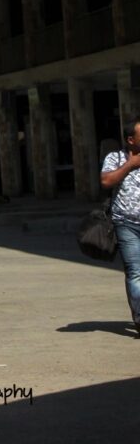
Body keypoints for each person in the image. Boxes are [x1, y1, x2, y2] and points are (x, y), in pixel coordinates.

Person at [99, 115, 140, 337]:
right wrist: (130, 165)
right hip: (126, 223)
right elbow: (106, 181)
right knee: (135, 272)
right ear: (131, 140)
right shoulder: (115, 157)